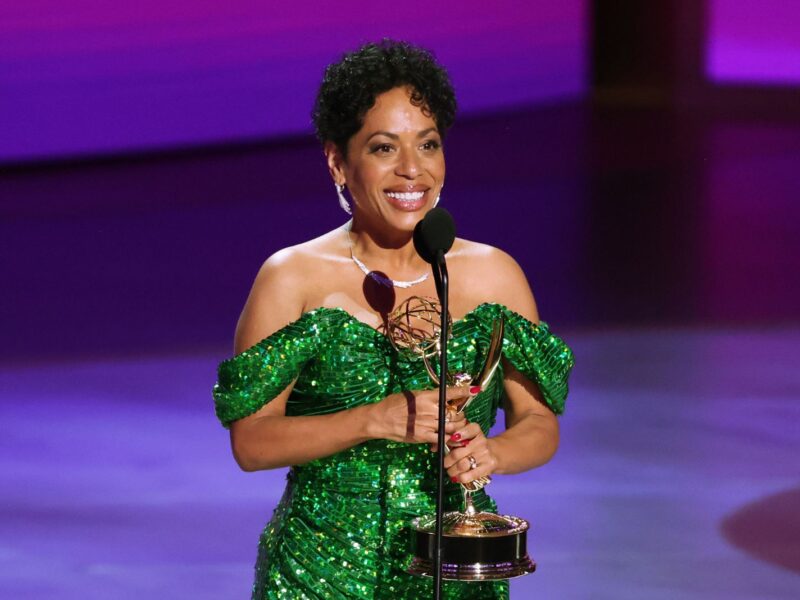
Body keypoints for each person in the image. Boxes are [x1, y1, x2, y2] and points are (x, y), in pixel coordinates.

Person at [213, 39, 574, 599]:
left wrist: (494, 452)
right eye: (384, 148)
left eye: (428, 145)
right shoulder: (293, 277)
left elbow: (540, 424)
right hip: (320, 576)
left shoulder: (493, 275)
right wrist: (373, 419)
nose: (413, 170)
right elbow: (252, 444)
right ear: (338, 161)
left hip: (454, 569)